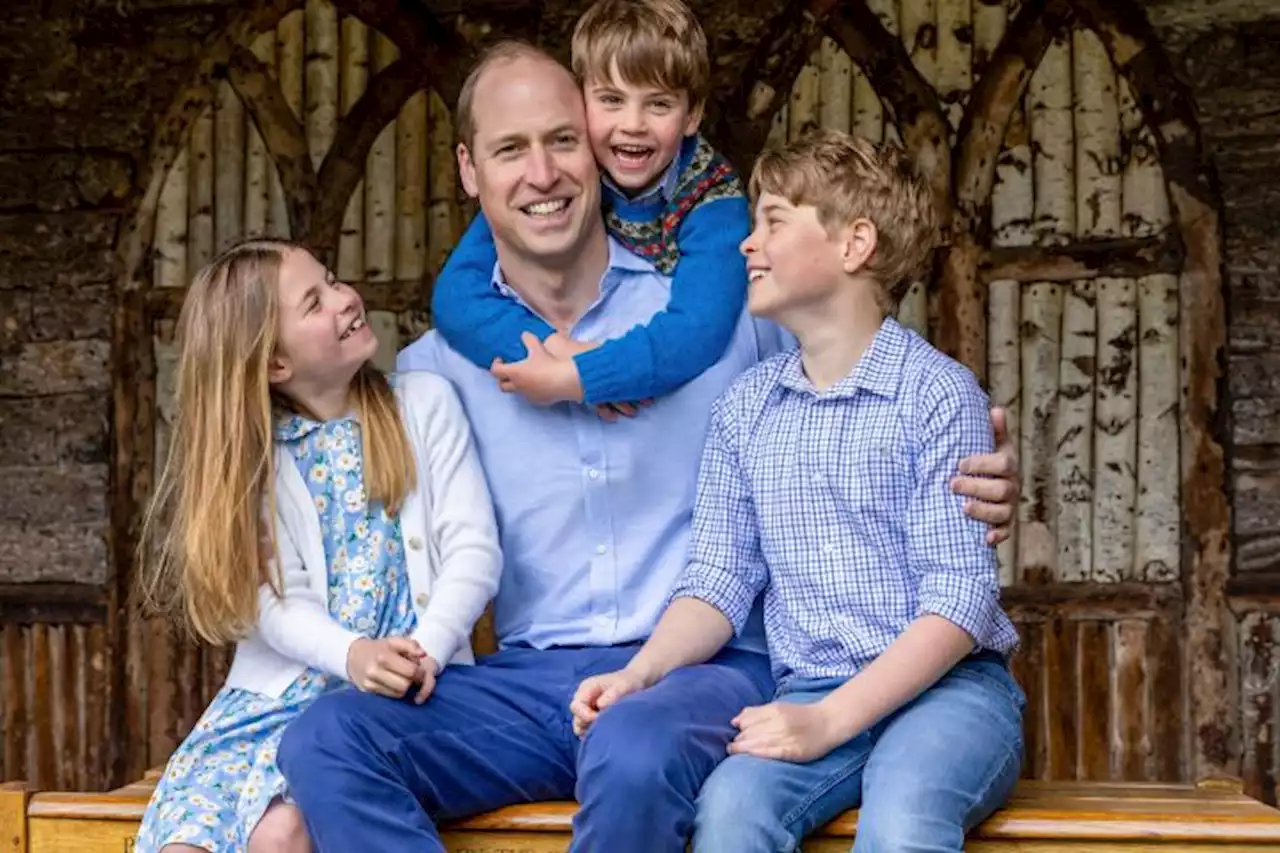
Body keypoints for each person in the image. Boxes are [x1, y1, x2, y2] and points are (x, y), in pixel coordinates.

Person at [276, 44, 1021, 853]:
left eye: (563, 141)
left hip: (708, 672)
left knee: (634, 747)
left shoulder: (725, 320)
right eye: (509, 150)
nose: (543, 173)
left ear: (597, 149)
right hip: (532, 683)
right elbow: (319, 519)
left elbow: (860, 385)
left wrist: (981, 471)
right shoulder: (435, 374)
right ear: (468, 169)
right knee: (330, 737)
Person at [570, 130, 1025, 852]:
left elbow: (960, 598)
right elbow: (718, 579)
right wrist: (637, 672)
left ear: (854, 245)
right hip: (810, 686)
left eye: (773, 222)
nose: (747, 245)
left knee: (902, 819)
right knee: (729, 812)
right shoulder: (746, 409)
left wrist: (831, 721)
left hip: (952, 693)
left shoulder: (936, 394)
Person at [131, 239, 502, 853]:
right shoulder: (258, 461)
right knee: (184, 845)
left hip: (395, 699)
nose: (345, 298)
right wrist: (351, 652)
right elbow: (276, 604)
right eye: (315, 301)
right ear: (276, 364)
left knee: (282, 835)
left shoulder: (423, 405)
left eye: (332, 280)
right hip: (269, 705)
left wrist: (428, 650)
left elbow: (473, 552)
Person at [430, 0, 749, 415]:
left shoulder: (713, 201)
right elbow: (456, 295)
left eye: (658, 104)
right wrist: (551, 350)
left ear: (692, 116)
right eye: (612, 100)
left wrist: (587, 376)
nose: (632, 124)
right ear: (581, 101)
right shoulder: (572, 175)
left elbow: (699, 329)